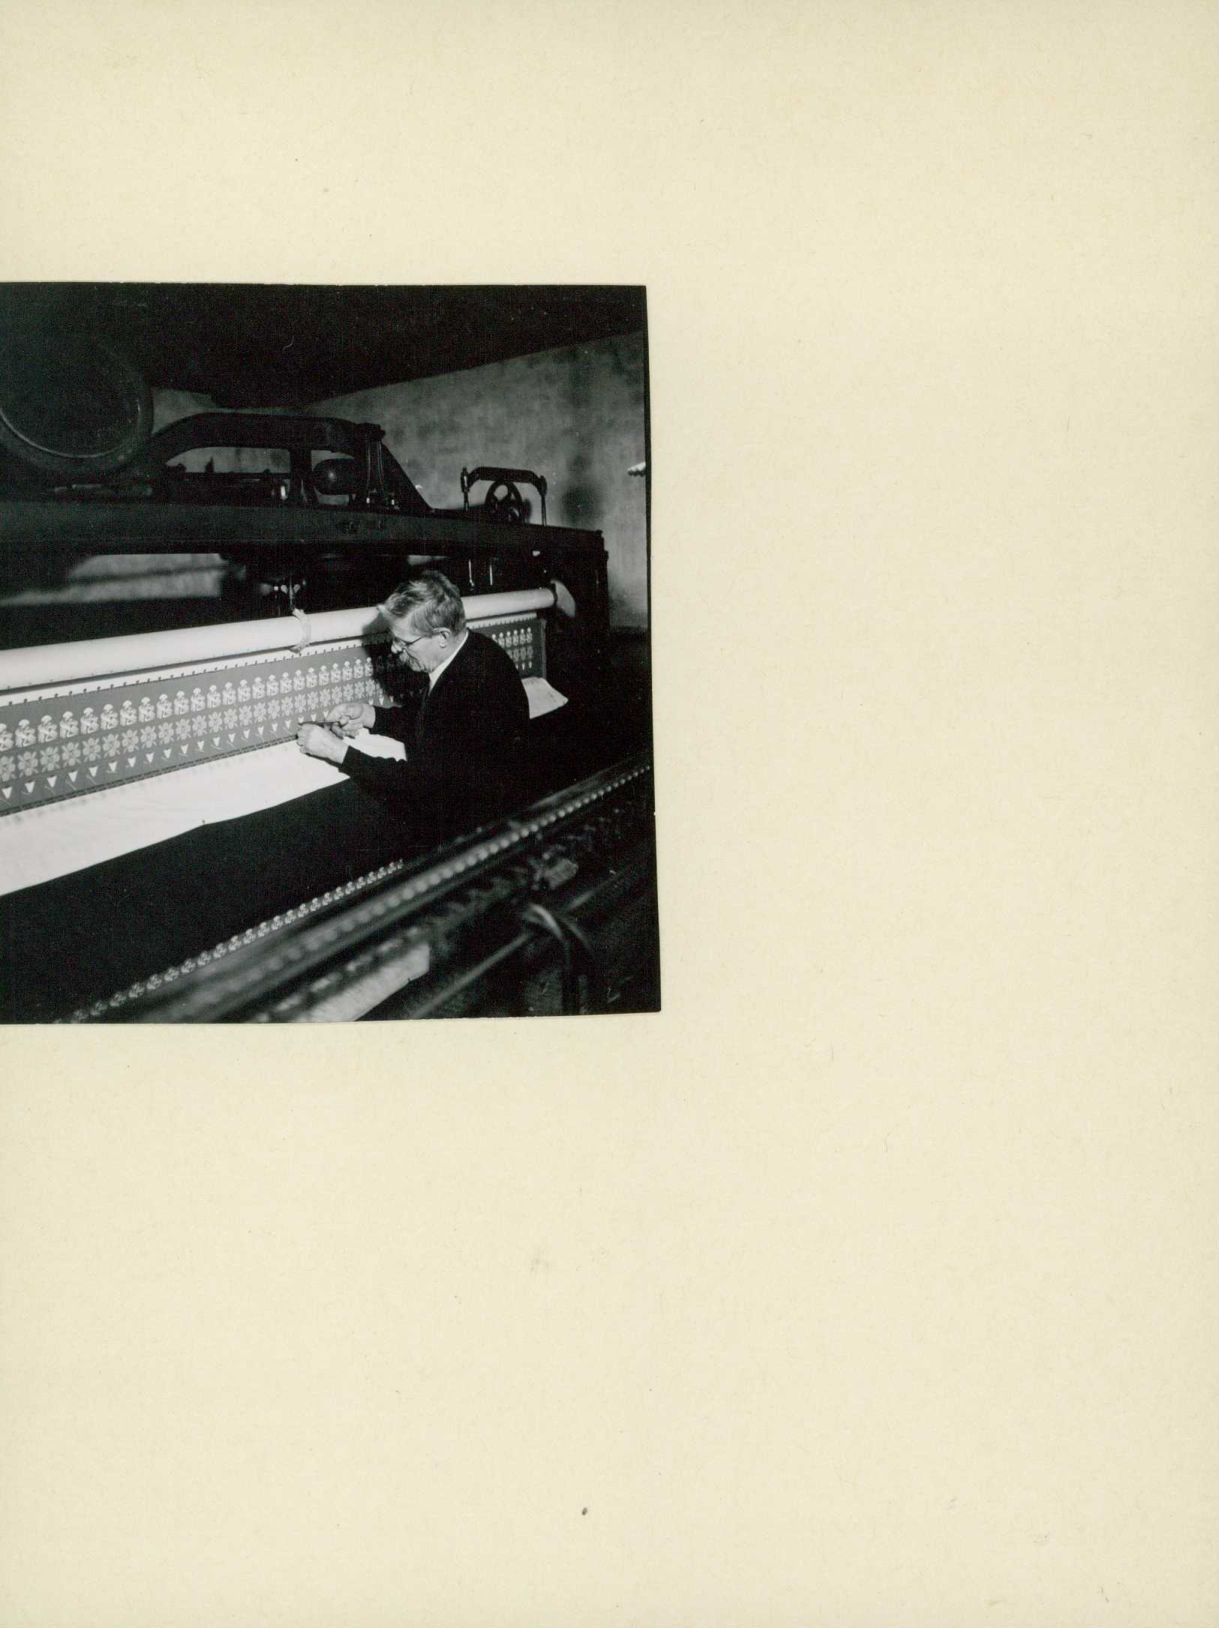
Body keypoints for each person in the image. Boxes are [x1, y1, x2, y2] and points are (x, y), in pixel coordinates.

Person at [297, 570, 529, 845]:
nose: (395, 650)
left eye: (405, 642)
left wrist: (337, 752)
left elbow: (423, 785)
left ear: (442, 636)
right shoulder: (475, 652)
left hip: (481, 836)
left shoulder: (471, 683)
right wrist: (370, 715)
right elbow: (435, 726)